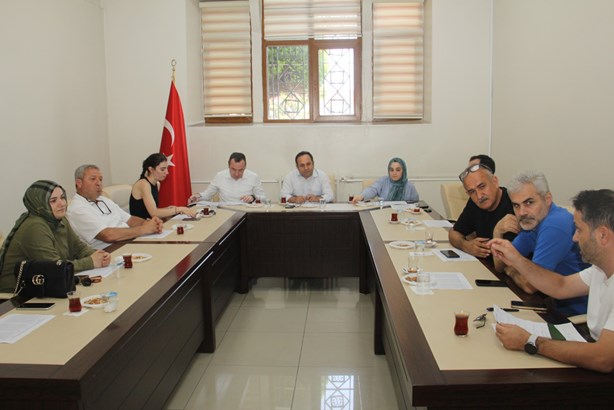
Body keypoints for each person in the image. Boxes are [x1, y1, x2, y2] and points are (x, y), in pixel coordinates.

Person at [490, 189, 614, 373]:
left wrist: (530, 341)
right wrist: (517, 260)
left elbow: (603, 358)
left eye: (579, 230)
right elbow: (560, 286)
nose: (574, 238)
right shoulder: (600, 269)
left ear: (603, 235)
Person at [492, 171, 588, 316]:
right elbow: (500, 264)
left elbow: (529, 286)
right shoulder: (532, 222)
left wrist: (511, 270)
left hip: (576, 317)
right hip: (552, 304)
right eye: (516, 205)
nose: (522, 212)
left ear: (547, 199)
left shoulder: (555, 224)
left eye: (529, 202)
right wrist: (497, 231)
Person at [0, 180, 111, 292]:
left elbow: (78, 247)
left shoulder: (58, 218)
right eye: (53, 201)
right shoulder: (35, 226)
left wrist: (99, 256)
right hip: (16, 295)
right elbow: (55, 268)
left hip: (44, 286)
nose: (62, 203)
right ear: (39, 204)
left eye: (62, 197)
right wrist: (91, 262)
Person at [67, 164, 164, 249]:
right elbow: (108, 235)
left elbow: (130, 220)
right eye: (93, 179)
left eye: (100, 179)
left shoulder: (103, 199)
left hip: (128, 242)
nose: (99, 183)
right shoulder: (77, 209)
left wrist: (149, 223)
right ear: (79, 183)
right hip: (110, 250)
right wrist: (143, 229)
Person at [448, 161, 516, 258]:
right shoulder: (475, 203)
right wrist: (466, 245)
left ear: (495, 182)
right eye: (472, 192)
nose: (479, 196)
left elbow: (511, 257)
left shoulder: (515, 205)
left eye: (482, 186)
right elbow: (453, 233)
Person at [130, 153, 198, 219]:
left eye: (166, 168)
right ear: (151, 169)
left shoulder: (157, 184)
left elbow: (152, 209)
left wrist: (168, 209)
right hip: (140, 224)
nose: (167, 172)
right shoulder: (143, 184)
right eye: (162, 169)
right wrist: (179, 209)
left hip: (151, 222)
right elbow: (153, 213)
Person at [188, 152, 266, 204]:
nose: (237, 174)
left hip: (246, 213)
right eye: (233, 169)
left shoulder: (253, 177)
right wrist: (197, 196)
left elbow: (264, 198)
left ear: (245, 167)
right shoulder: (220, 176)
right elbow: (207, 195)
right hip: (225, 213)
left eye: (240, 170)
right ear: (228, 165)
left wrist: (253, 197)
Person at [351, 157, 419, 203]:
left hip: (403, 216)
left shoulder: (410, 186)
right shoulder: (383, 181)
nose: (394, 173)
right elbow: (372, 189)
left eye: (398, 170)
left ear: (403, 171)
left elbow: (416, 204)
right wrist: (362, 196)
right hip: (384, 214)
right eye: (391, 170)